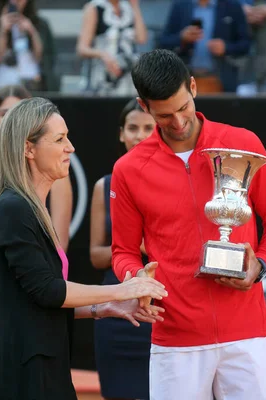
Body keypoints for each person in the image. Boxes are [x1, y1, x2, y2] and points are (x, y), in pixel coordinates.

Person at [110, 49, 266, 400]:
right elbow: (123, 251)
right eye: (164, 115)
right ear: (144, 107)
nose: (178, 122)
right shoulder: (129, 170)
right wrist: (136, 280)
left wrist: (260, 265)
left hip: (247, 334)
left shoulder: (244, 144)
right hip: (175, 338)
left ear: (193, 87)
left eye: (183, 108)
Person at [0, 97, 167, 400]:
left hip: (43, 367)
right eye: (59, 139)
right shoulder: (13, 209)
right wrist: (122, 290)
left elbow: (35, 300)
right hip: (20, 375)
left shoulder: (30, 208)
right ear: (28, 148)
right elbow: (48, 290)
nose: (70, 147)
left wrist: (103, 309)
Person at [0, 84, 73, 351]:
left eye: (17, 112)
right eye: (4, 113)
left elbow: (57, 249)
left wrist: (99, 303)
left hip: (40, 290)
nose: (10, 119)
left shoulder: (56, 175)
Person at [90, 98, 155, 400]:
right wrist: (131, 249)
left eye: (147, 128)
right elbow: (95, 255)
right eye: (132, 128)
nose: (140, 135)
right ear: (121, 133)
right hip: (115, 309)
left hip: (159, 312)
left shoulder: (174, 183)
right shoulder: (104, 186)